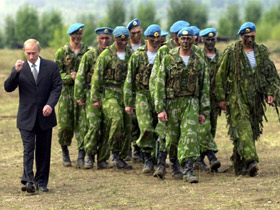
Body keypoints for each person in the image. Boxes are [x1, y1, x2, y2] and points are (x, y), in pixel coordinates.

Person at [215, 22, 280, 176]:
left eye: (252, 36)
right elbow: (220, 76)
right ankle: (251, 161)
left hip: (255, 100)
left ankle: (240, 165)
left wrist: (270, 93)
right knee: (243, 128)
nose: (249, 39)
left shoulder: (261, 53)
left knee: (252, 131)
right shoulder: (232, 53)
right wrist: (221, 98)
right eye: (246, 37)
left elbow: (270, 74)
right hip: (237, 98)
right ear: (241, 36)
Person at [4, 39, 62, 193]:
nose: (30, 56)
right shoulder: (20, 68)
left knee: (44, 150)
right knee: (28, 148)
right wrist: (15, 72)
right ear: (24, 52)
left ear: (39, 51)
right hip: (26, 116)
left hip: (45, 116)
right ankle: (29, 180)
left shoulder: (51, 66)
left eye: (33, 53)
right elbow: (8, 88)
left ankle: (41, 181)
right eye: (28, 53)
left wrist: (50, 104)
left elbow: (57, 87)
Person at [154, 27, 210, 183]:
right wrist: (160, 108)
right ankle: (174, 164)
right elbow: (159, 84)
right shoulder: (168, 59)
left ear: (193, 40)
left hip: (191, 103)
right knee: (172, 138)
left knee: (189, 135)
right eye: (183, 39)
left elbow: (204, 86)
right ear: (177, 40)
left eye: (189, 39)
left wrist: (203, 110)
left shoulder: (199, 61)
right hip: (172, 103)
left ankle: (188, 170)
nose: (186, 41)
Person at [150, 20, 190, 179]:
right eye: (179, 36)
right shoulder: (164, 51)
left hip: (183, 101)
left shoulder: (192, 51)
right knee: (162, 132)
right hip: (166, 99)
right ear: (175, 36)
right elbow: (156, 77)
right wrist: (158, 103)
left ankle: (176, 165)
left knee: (179, 134)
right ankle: (160, 164)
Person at [91, 26, 133, 169]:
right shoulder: (105, 56)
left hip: (125, 94)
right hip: (109, 93)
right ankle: (114, 154)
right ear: (114, 39)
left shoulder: (130, 54)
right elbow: (97, 77)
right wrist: (95, 98)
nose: (123, 43)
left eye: (125, 40)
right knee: (117, 119)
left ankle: (121, 156)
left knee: (127, 125)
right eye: (120, 40)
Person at [124, 24, 162, 174]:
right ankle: (147, 157)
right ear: (147, 38)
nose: (155, 40)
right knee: (146, 127)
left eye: (157, 38)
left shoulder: (164, 54)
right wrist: (129, 102)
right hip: (142, 95)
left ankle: (157, 158)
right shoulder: (138, 56)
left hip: (159, 95)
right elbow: (130, 79)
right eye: (152, 38)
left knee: (160, 128)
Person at [74, 27, 113, 169]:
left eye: (107, 38)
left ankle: (102, 158)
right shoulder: (89, 55)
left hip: (109, 94)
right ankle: (89, 155)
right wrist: (79, 95)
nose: (104, 41)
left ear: (111, 39)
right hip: (91, 94)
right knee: (94, 125)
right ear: (97, 39)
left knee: (106, 126)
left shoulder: (113, 55)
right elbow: (81, 75)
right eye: (101, 38)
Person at [55, 23, 89, 168]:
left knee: (83, 124)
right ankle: (65, 152)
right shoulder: (62, 52)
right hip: (66, 93)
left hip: (82, 92)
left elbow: (91, 72)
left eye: (80, 34)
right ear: (70, 35)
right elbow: (56, 75)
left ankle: (81, 155)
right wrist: (70, 77)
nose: (78, 37)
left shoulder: (87, 52)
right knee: (65, 124)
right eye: (75, 35)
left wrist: (81, 77)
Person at [195, 28, 221, 172]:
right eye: (207, 40)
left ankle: (199, 159)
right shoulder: (197, 55)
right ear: (202, 40)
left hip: (215, 99)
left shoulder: (220, 56)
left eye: (213, 39)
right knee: (203, 127)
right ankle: (211, 157)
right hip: (200, 98)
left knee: (211, 129)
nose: (210, 42)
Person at [126, 18, 144, 162]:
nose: (136, 35)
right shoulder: (124, 48)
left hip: (141, 90)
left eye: (138, 32)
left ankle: (140, 149)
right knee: (129, 121)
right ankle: (130, 148)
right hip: (126, 89)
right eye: (133, 33)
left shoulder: (147, 47)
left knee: (141, 121)